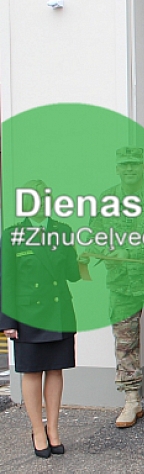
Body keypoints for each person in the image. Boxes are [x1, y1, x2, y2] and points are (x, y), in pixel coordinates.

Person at [84, 147, 144, 428]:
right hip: (121, 284)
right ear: (117, 168)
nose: (129, 169)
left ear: (143, 167)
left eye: (134, 164)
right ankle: (131, 400)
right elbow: (94, 236)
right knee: (125, 344)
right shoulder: (106, 199)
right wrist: (106, 250)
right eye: (124, 165)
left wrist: (124, 249)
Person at [1, 180, 81, 457]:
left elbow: (72, 273)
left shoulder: (62, 231)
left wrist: (77, 255)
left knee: (55, 370)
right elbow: (6, 280)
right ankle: (37, 430)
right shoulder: (12, 235)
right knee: (32, 372)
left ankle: (54, 429)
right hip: (28, 315)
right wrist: (7, 321)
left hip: (58, 312)